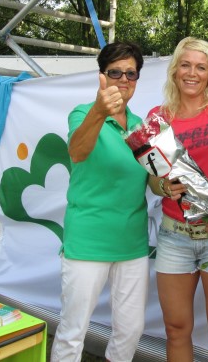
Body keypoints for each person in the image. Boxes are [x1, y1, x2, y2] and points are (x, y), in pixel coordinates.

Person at [50, 42, 149, 362]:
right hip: (88, 241)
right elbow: (77, 152)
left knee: (131, 330)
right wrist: (99, 111)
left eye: (130, 73)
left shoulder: (140, 127)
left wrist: (173, 182)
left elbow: (154, 179)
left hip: (132, 243)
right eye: (115, 72)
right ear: (101, 77)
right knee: (72, 331)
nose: (123, 79)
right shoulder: (83, 113)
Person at [148, 37, 208, 362]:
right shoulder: (158, 117)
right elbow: (152, 178)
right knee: (176, 329)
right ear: (175, 70)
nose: (192, 73)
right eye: (185, 65)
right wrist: (163, 188)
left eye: (201, 67)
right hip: (175, 237)